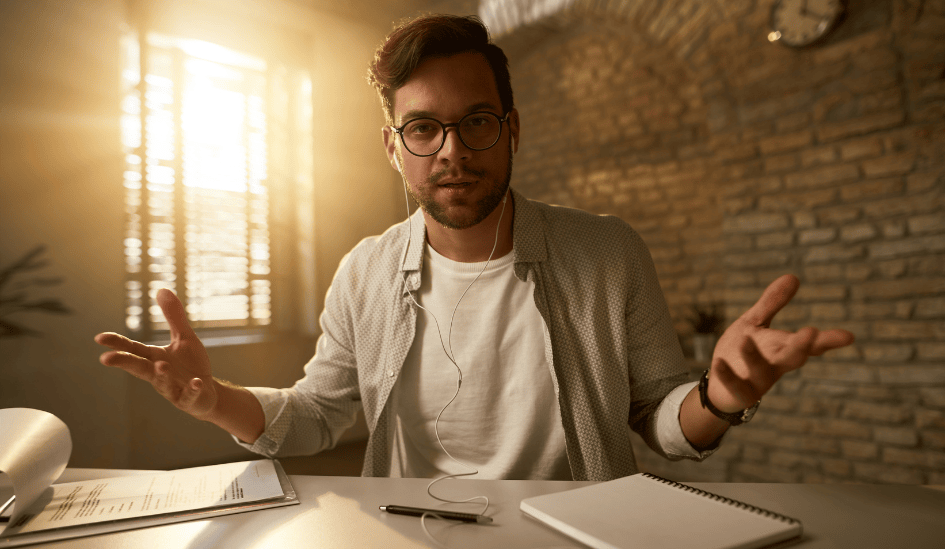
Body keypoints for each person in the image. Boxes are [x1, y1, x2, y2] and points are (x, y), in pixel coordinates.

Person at [95, 14, 854, 481]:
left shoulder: (607, 252)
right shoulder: (364, 269)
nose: (451, 150)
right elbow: (317, 415)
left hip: (577, 531)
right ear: (393, 149)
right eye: (423, 128)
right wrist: (212, 398)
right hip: (404, 530)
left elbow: (659, 421)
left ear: (512, 129)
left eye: (477, 122)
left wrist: (719, 397)